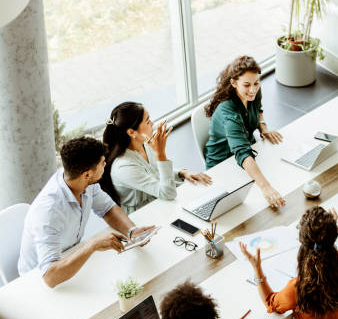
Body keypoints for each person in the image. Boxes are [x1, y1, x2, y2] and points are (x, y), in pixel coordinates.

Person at [18, 137, 155, 288]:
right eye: (102, 163)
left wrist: (132, 231)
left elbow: (108, 208)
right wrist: (92, 245)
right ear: (87, 174)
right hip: (37, 281)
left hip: (70, 256)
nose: (105, 165)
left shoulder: (83, 181)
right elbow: (50, 277)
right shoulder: (49, 210)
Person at [240, 207, 338, 319]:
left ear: (300, 241)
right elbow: (328, 255)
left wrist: (257, 268)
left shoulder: (298, 287)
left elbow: (271, 303)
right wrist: (327, 232)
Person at [100, 102, 212, 213]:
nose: (152, 124)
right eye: (148, 121)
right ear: (131, 132)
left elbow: (155, 172)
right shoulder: (123, 167)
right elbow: (167, 193)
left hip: (161, 200)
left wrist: (182, 173)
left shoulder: (144, 144)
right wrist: (160, 153)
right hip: (145, 213)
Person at [205, 55, 285, 208]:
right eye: (247, 85)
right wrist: (266, 187)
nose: (253, 89)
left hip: (247, 152)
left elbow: (258, 109)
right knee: (256, 200)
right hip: (222, 165)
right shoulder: (228, 113)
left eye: (256, 83)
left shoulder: (253, 93)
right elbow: (242, 152)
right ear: (234, 83)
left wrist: (263, 127)